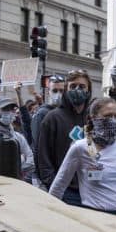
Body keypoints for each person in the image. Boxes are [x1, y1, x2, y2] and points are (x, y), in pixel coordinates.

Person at [49, 97, 116, 219]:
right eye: (107, 116)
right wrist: (51, 214)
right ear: (93, 118)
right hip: (90, 216)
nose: (112, 120)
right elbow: (60, 183)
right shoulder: (80, 147)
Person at [36, 70, 93, 205]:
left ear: (89, 90)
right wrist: (53, 184)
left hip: (91, 191)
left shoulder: (94, 118)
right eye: (73, 86)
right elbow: (43, 157)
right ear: (66, 90)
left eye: (82, 86)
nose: (77, 90)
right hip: (64, 192)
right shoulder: (52, 118)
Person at [0, 98, 35, 183]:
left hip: (17, 183)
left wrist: (17, 168)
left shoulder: (18, 136)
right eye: (6, 109)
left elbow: (31, 160)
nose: (10, 112)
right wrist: (21, 158)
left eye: (12, 109)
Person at [30, 74, 66, 161]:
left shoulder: (65, 113)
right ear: (48, 91)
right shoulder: (41, 114)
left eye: (61, 91)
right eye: (55, 90)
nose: (58, 94)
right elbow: (38, 147)